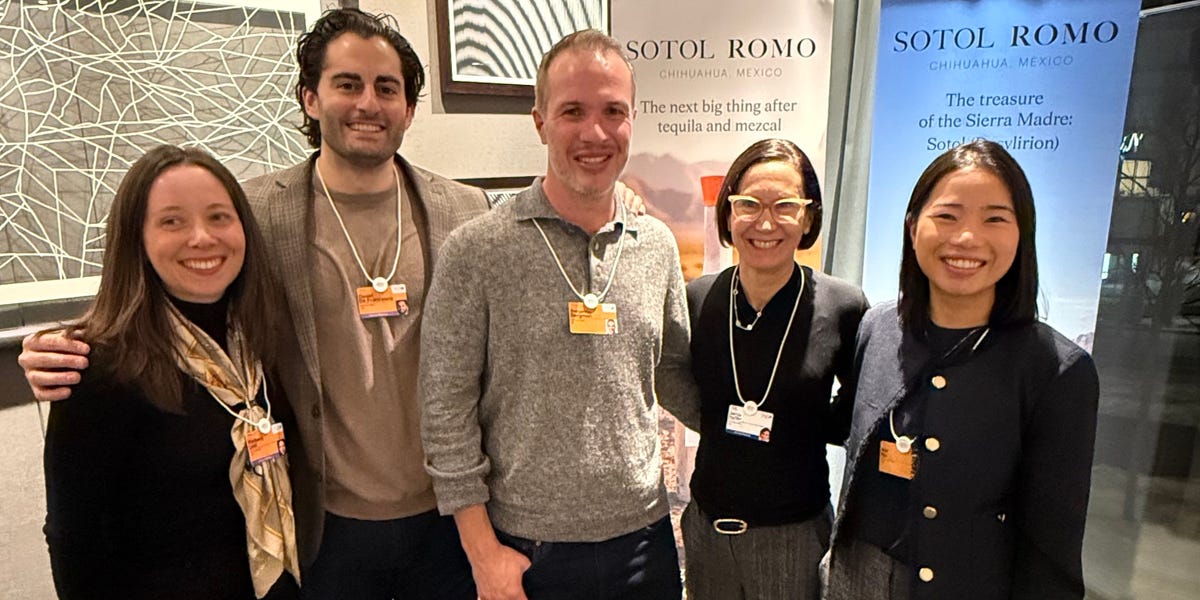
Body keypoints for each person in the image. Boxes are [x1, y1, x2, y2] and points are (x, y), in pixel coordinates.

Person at [22, 9, 488, 599]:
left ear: (409, 108)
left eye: (386, 87)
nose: (368, 103)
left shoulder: (467, 211)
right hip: (322, 527)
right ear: (311, 98)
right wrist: (62, 347)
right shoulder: (253, 213)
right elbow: (167, 287)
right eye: (347, 84)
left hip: (447, 521)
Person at [419, 29, 695, 600]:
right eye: (573, 111)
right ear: (540, 120)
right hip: (525, 551)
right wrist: (483, 554)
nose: (595, 133)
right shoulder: (478, 250)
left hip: (644, 544)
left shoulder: (656, 246)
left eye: (613, 111)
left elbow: (674, 376)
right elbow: (444, 411)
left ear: (633, 119)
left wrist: (765, 421)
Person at [823, 140, 1099, 600]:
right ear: (913, 227)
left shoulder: (1055, 368)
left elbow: (1051, 551)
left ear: (1022, 234)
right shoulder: (877, 326)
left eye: (995, 219)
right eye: (948, 216)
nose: (967, 238)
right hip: (853, 579)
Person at [42, 145, 300, 599]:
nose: (201, 238)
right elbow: (74, 539)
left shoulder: (264, 339)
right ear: (136, 239)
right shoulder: (99, 367)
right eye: (172, 221)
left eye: (219, 217)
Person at [679, 139, 867, 600]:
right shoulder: (698, 299)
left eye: (785, 206)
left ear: (808, 217)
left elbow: (857, 409)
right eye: (749, 204)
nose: (765, 223)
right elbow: (680, 386)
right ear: (728, 214)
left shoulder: (842, 306)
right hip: (707, 533)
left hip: (794, 535)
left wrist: (798, 426)